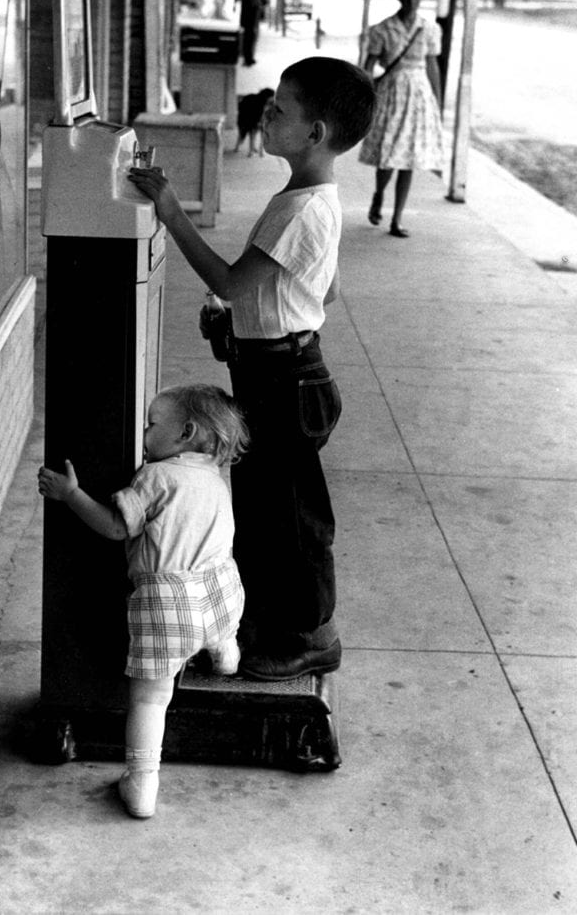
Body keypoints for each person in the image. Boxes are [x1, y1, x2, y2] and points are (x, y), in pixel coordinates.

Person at [128, 57, 375, 682]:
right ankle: (272, 620)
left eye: (279, 109)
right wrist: (240, 323)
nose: (265, 112)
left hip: (285, 381)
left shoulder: (302, 210)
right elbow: (325, 289)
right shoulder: (307, 198)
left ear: (315, 133)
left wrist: (171, 210)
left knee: (293, 519)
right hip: (278, 371)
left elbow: (232, 281)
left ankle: (312, 635)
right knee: (268, 511)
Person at [37, 384, 248, 820]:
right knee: (216, 623)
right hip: (220, 591)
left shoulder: (155, 478)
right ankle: (224, 651)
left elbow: (117, 527)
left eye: (151, 425)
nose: (144, 433)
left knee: (151, 699)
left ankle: (141, 781)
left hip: (167, 606)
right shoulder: (214, 476)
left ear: (185, 433)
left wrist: (71, 494)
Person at [359, 0, 445, 237]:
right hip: (391, 93)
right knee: (388, 154)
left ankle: (397, 219)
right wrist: (365, 91)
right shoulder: (383, 29)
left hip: (419, 95)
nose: (412, 2)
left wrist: (437, 101)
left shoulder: (429, 29)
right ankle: (379, 193)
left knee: (410, 158)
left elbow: (432, 66)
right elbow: (368, 66)